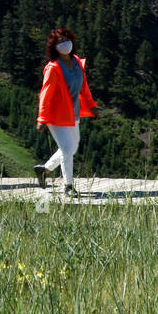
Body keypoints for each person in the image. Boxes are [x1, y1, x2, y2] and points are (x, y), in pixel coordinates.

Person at [34, 28, 98, 197]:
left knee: (72, 147)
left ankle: (45, 170)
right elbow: (45, 94)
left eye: (67, 40)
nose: (65, 44)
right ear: (54, 47)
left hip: (73, 113)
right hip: (55, 116)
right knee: (68, 149)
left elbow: (83, 87)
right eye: (60, 41)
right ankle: (68, 186)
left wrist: (92, 106)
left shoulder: (77, 62)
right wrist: (42, 117)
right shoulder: (53, 68)